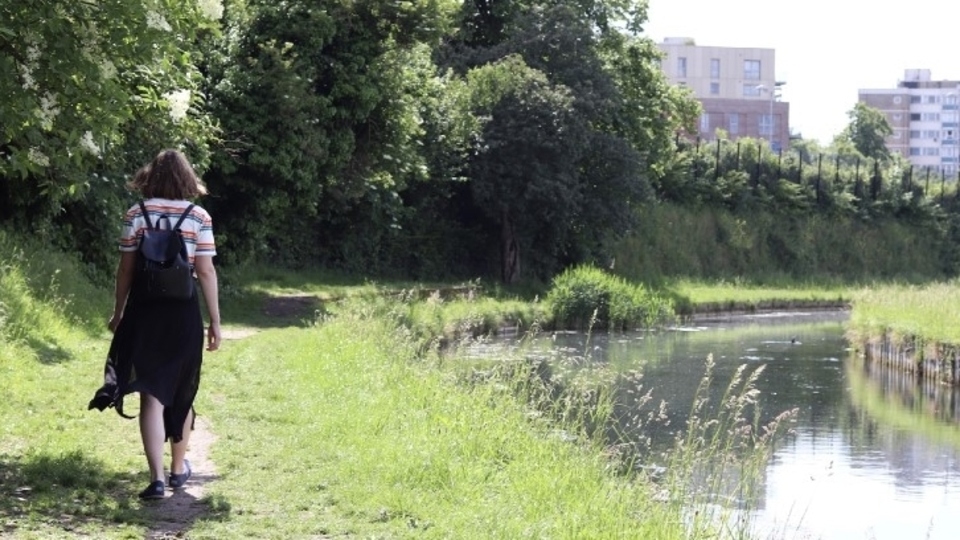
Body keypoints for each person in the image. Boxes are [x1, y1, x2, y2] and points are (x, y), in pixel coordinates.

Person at [98, 149, 221, 500]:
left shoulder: (137, 213)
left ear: (150, 176)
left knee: (151, 396)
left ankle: (155, 479)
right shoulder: (199, 216)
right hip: (183, 313)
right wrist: (215, 320)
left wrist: (119, 311)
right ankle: (178, 469)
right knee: (182, 390)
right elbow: (206, 270)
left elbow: (126, 270)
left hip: (145, 311)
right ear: (186, 179)